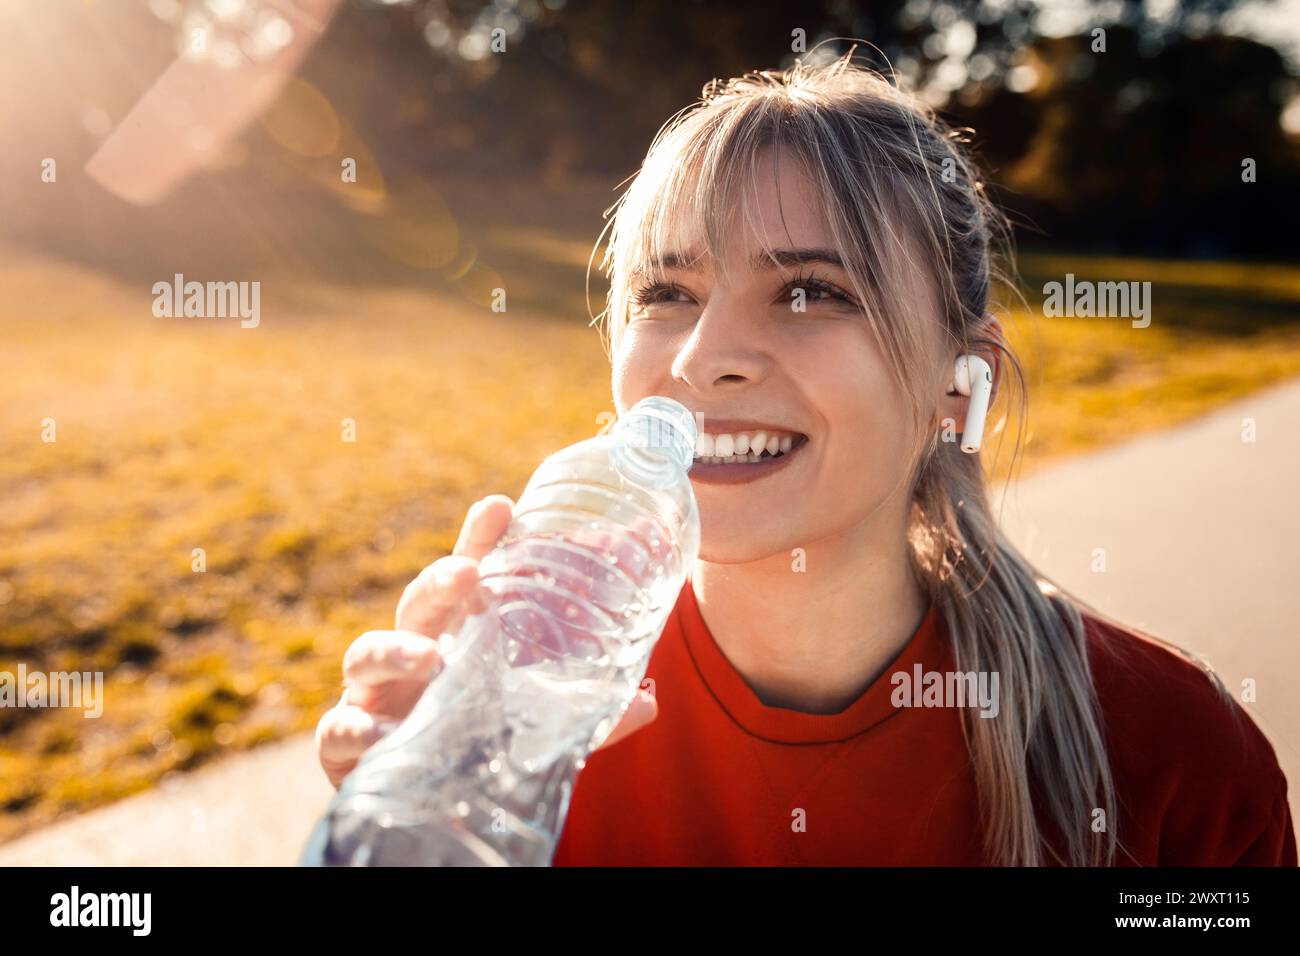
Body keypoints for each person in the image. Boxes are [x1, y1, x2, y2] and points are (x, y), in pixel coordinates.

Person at [315, 50, 1295, 866]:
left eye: (810, 290)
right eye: (667, 291)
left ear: (958, 386)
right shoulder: (519, 715)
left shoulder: (1175, 757)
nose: (704, 359)